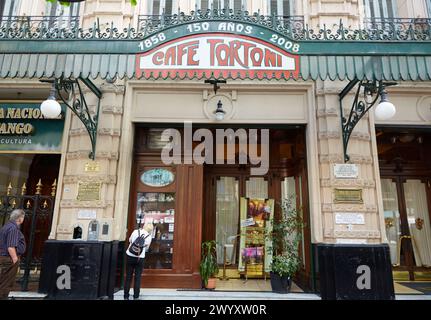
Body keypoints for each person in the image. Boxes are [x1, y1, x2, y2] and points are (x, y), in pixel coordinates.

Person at [0, 209, 26, 300]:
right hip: (9, 258)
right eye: (23, 217)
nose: (23, 219)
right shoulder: (13, 228)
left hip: (5, 257)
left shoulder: (7, 226)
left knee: (3, 280)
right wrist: (15, 259)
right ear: (20, 218)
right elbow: (11, 246)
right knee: (6, 282)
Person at [124, 223, 152, 300]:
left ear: (144, 226)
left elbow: (130, 240)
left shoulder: (136, 231)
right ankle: (136, 296)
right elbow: (146, 249)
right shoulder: (149, 237)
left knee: (128, 277)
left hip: (130, 255)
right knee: (137, 277)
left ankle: (126, 296)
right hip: (140, 258)